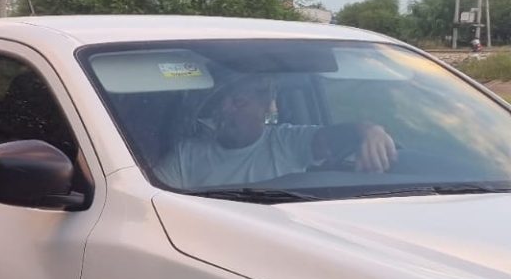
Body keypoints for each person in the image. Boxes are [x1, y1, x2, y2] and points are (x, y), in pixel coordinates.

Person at [157, 74, 397, 190]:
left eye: (238, 103)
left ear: (265, 107)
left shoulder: (286, 142)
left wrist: (368, 130)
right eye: (221, 102)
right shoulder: (187, 155)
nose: (225, 109)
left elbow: (332, 138)